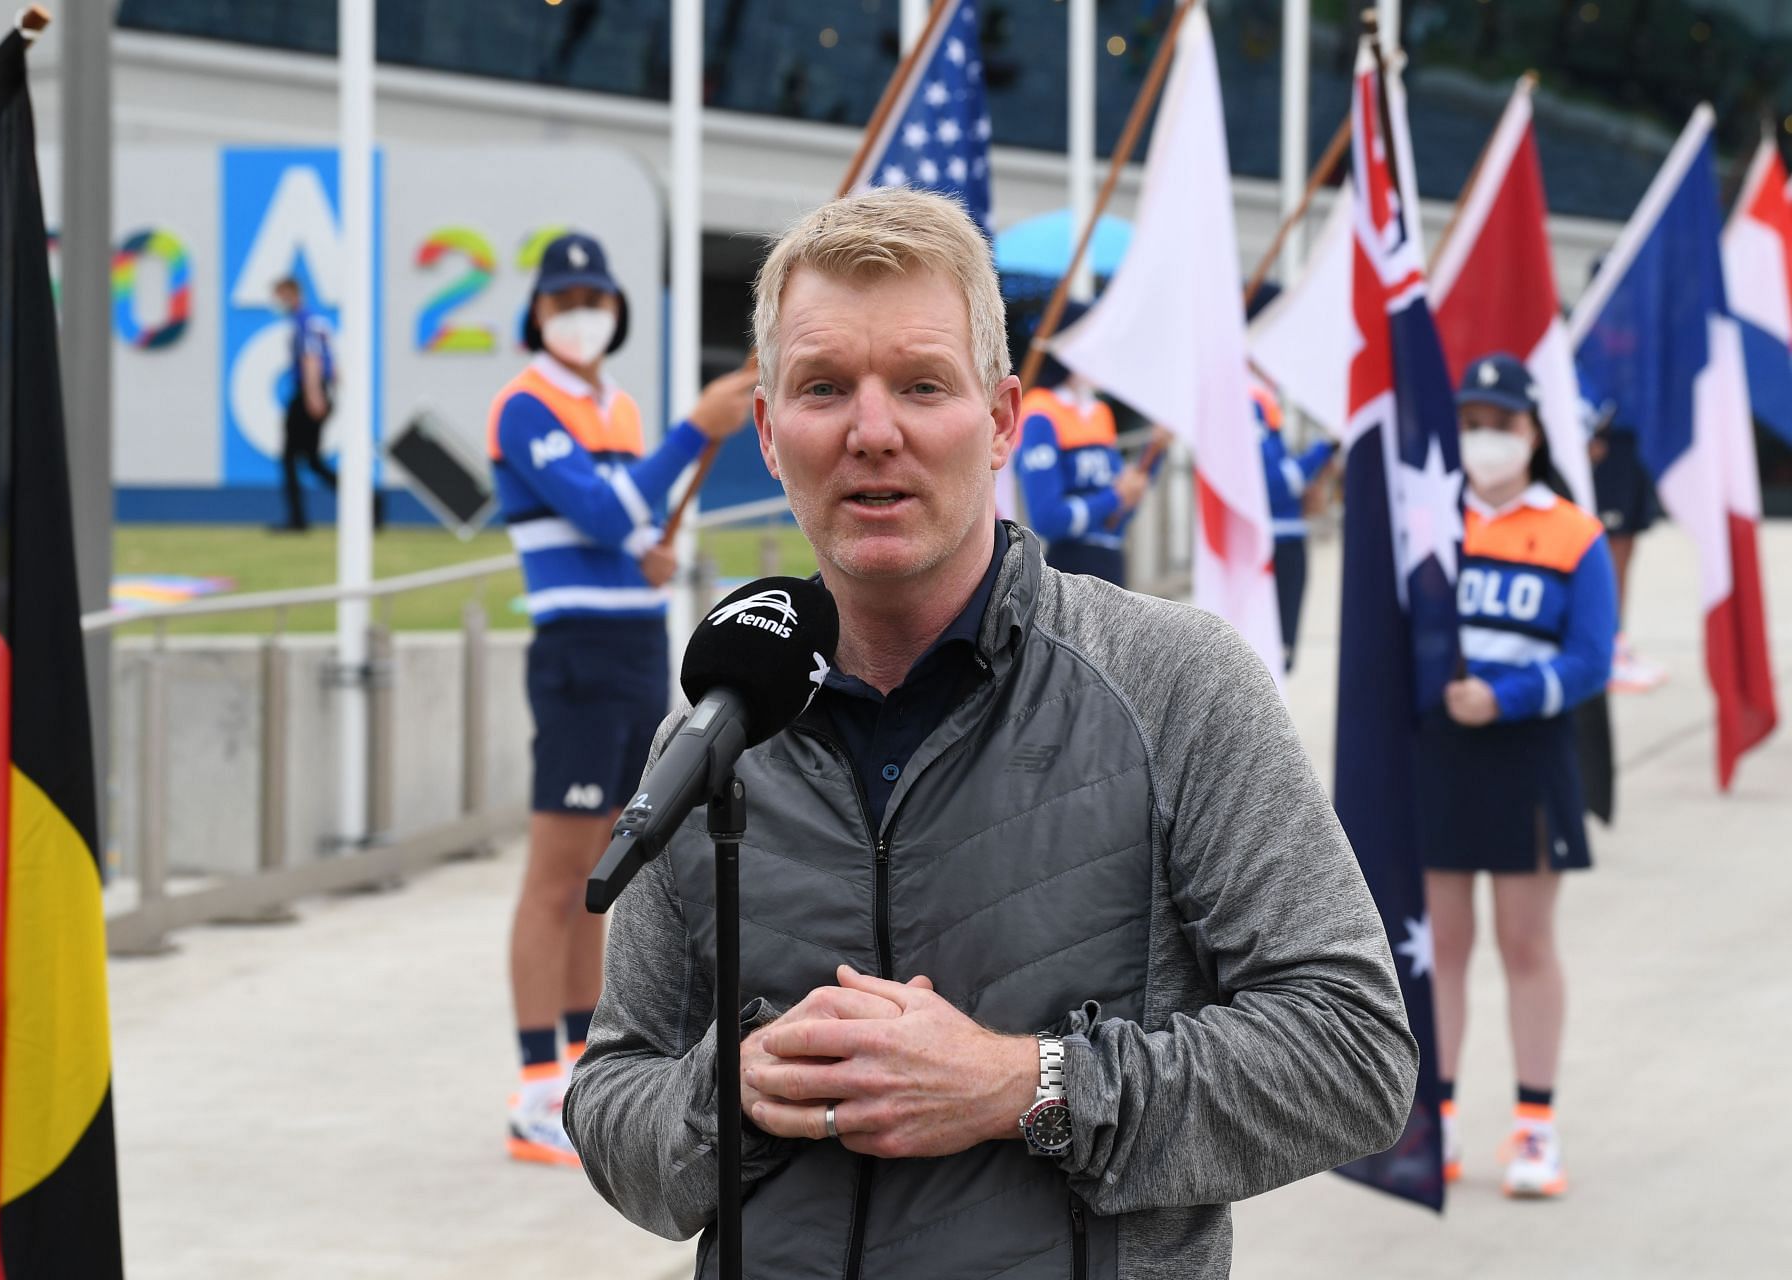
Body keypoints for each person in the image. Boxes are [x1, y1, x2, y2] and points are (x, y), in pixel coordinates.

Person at [565, 189, 1417, 1278]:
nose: (874, 431)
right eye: (824, 389)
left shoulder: (1176, 684)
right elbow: (611, 1097)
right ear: (771, 436)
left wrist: (1028, 1085)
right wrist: (725, 1091)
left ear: (1005, 417)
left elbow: (1354, 1052)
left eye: (922, 383)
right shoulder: (713, 731)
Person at [489, 230, 756, 1167]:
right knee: (558, 874)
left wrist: (650, 549)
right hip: (577, 654)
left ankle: (575, 1061)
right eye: (563, 301)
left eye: (594, 298)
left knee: (611, 869)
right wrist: (697, 429)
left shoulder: (618, 406)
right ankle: (532, 1083)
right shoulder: (524, 407)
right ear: (538, 313)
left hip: (638, 644)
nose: (581, 315)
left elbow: (630, 521)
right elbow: (602, 512)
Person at [1419, 353, 1616, 1199]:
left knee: (1527, 943)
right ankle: (1439, 1117)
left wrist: (1504, 699)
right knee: (1442, 947)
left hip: (1529, 756)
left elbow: (1592, 660)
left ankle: (1535, 1126)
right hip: (1443, 759)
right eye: (1472, 423)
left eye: (1502, 424)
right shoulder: (1428, 522)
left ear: (1533, 433)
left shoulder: (1574, 532)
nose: (1485, 439)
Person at [1013, 300, 1167, 586]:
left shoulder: (1099, 412)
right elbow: (1047, 519)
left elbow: (1117, 517)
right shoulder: (1040, 413)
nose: (1107, 354)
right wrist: (1116, 497)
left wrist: (1155, 454)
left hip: (1112, 563)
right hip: (1070, 570)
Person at [1586, 393, 1666, 691]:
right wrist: (1590, 425)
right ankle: (1605, 646)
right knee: (1608, 543)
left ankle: (1616, 640)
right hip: (1604, 432)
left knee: (1626, 541)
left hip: (1637, 431)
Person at [1255, 382, 1336, 672]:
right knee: (1264, 656)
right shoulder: (1251, 400)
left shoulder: (1267, 400)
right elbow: (1273, 484)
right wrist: (1323, 448)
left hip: (1286, 538)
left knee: (1280, 656)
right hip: (1269, 543)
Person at [272, 275, 337, 532]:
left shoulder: (303, 322)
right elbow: (333, 361)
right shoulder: (317, 322)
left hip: (309, 394)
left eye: (279, 295)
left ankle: (297, 520)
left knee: (291, 458)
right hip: (319, 391)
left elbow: (312, 359)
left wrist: (314, 396)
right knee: (312, 460)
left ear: (291, 294)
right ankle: (370, 504)